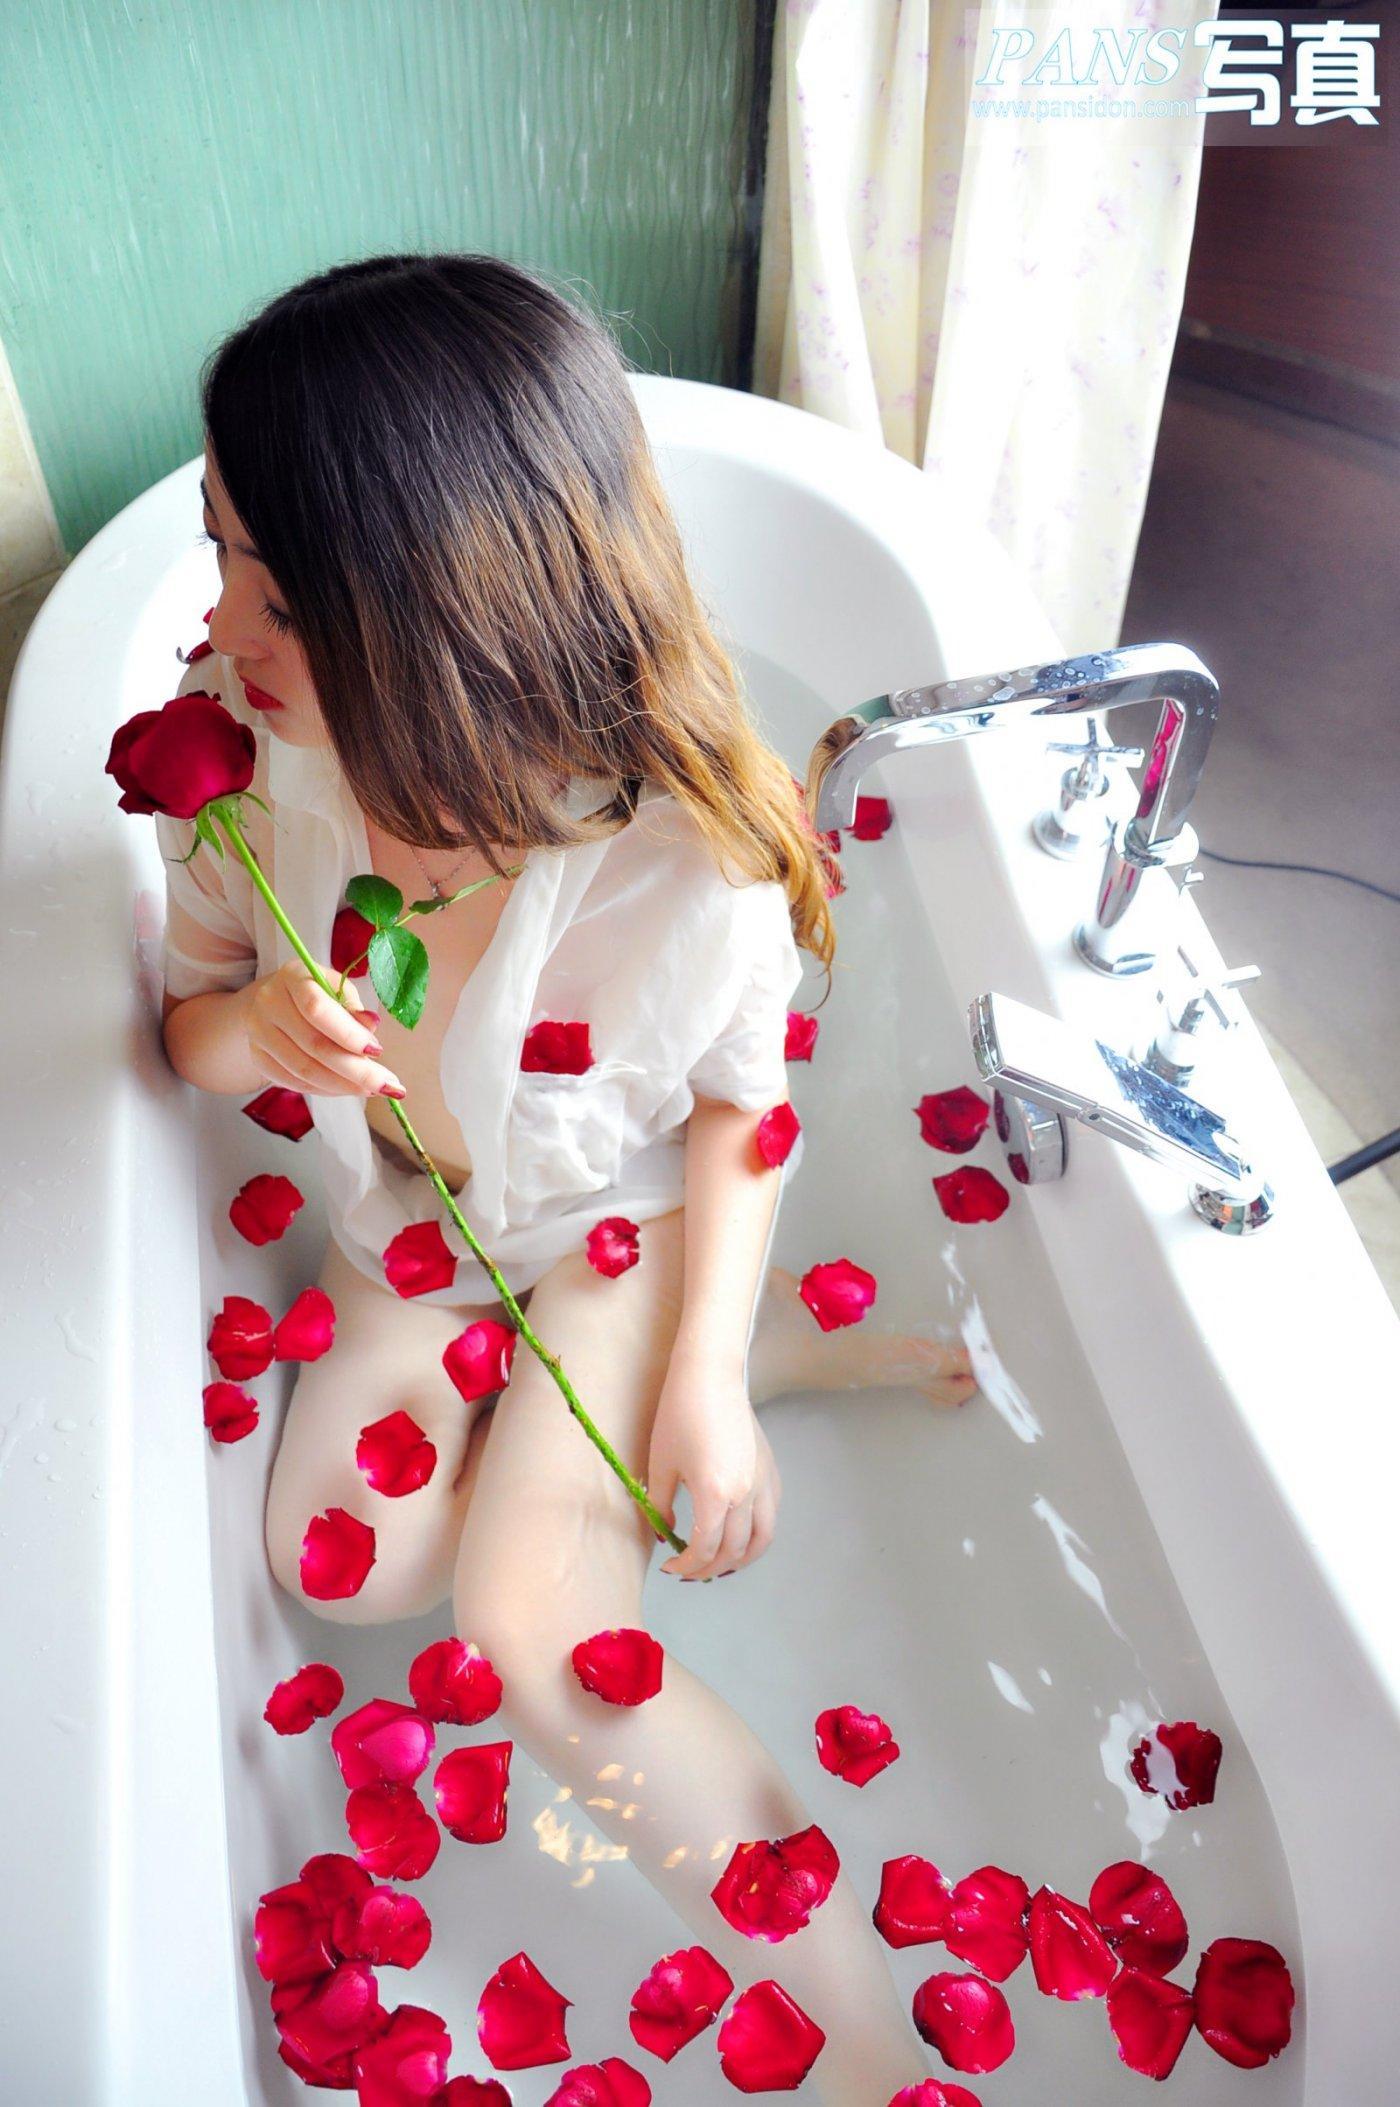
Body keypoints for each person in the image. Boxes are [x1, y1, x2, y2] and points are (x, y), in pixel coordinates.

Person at [157, 253, 975, 2102]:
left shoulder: (686, 851)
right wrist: (258, 1028)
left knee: (531, 1635)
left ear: (446, 609)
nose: (221, 628)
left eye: (277, 592)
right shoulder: (257, 760)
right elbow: (185, 1028)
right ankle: (690, 1387)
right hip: (414, 1234)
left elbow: (742, 1110)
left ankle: (866, 2052)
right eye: (220, 557)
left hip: (618, 1228)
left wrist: (702, 1369)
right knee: (344, 1568)